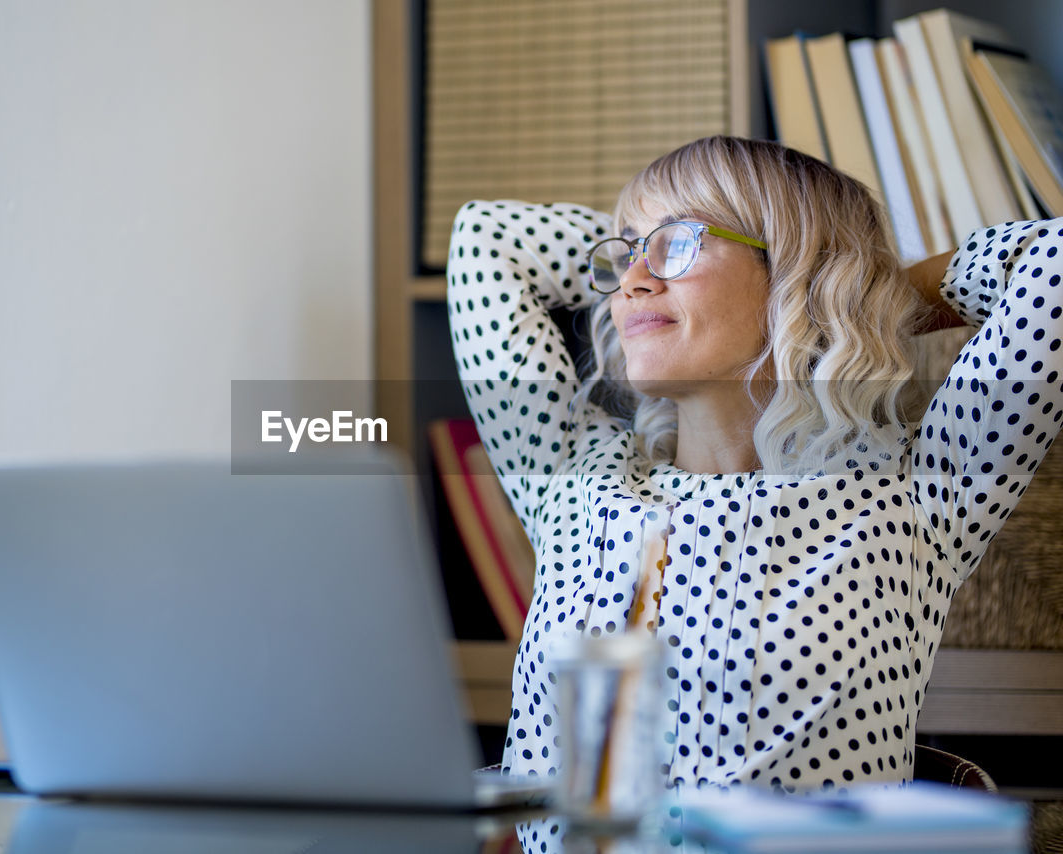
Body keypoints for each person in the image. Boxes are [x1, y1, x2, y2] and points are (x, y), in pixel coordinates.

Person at [445, 135, 1063, 793]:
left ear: (796, 274)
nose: (630, 281)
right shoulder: (573, 476)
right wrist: (660, 246)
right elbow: (488, 238)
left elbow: (1051, 262)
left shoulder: (917, 499)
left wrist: (855, 296)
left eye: (677, 243)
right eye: (626, 254)